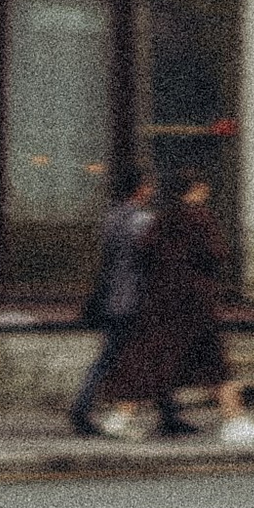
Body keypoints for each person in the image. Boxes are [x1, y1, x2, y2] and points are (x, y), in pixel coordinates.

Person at [99, 177, 254, 446]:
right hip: (194, 303)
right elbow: (216, 253)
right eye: (203, 187)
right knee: (213, 362)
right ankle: (235, 423)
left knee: (153, 359)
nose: (207, 190)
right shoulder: (199, 218)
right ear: (194, 190)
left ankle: (121, 417)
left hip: (162, 301)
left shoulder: (162, 219)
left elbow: (145, 250)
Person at [69, 170, 156, 437]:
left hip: (112, 298)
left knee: (117, 356)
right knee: (123, 357)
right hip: (135, 300)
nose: (151, 190)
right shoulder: (143, 221)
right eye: (148, 186)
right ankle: (83, 408)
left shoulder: (110, 218)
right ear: (139, 189)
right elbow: (151, 260)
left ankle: (169, 412)